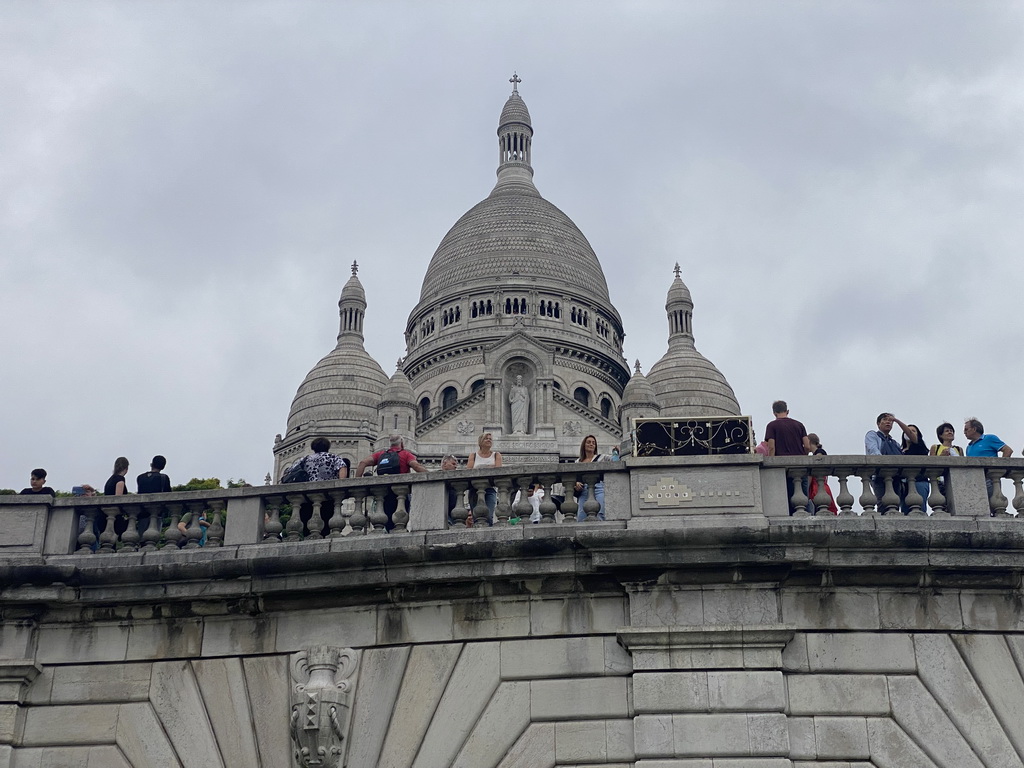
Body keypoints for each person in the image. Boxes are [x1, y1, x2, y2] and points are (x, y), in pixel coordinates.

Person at [354, 434, 427, 530]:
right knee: (400, 521)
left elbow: (362, 463)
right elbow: (417, 467)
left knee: (387, 521)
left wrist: (357, 483)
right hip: (400, 493)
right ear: (401, 443)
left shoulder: (380, 455)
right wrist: (430, 475)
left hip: (384, 494)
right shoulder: (405, 454)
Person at [764, 400, 810, 512]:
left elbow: (771, 447)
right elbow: (807, 445)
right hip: (800, 466)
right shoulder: (799, 425)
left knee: (788, 498)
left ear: (774, 413)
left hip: (783, 467)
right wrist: (803, 455)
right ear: (787, 411)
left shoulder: (772, 425)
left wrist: (772, 462)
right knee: (803, 498)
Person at [865, 413, 908, 512]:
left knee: (895, 503)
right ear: (878, 423)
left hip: (896, 476)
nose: (888, 422)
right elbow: (873, 450)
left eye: (890, 421)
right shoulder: (873, 435)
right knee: (882, 501)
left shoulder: (894, 443)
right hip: (878, 474)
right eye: (885, 419)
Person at [467, 432, 502, 524]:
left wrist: (480, 467)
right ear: (480, 442)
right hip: (474, 489)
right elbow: (468, 471)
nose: (489, 440)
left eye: (490, 439)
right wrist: (490, 467)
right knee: (476, 518)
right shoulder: (473, 455)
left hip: (490, 489)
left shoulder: (496, 455)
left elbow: (498, 471)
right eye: (486, 438)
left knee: (489, 516)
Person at [575, 434, 607, 521]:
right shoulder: (578, 461)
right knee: (581, 515)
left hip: (598, 488)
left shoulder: (602, 458)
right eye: (588, 442)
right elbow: (575, 477)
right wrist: (576, 483)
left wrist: (616, 452)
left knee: (600, 512)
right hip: (584, 490)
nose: (591, 444)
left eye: (593, 443)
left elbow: (615, 460)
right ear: (584, 445)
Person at [900, 424, 931, 511]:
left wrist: (896, 421)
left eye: (913, 431)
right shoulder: (900, 450)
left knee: (919, 510)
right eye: (906, 431)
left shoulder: (919, 446)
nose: (909, 433)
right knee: (905, 511)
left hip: (919, 481)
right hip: (904, 485)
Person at [806, 434, 838, 514]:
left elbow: (818, 459)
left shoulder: (820, 452)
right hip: (820, 486)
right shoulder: (817, 453)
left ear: (809, 441)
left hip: (817, 487)